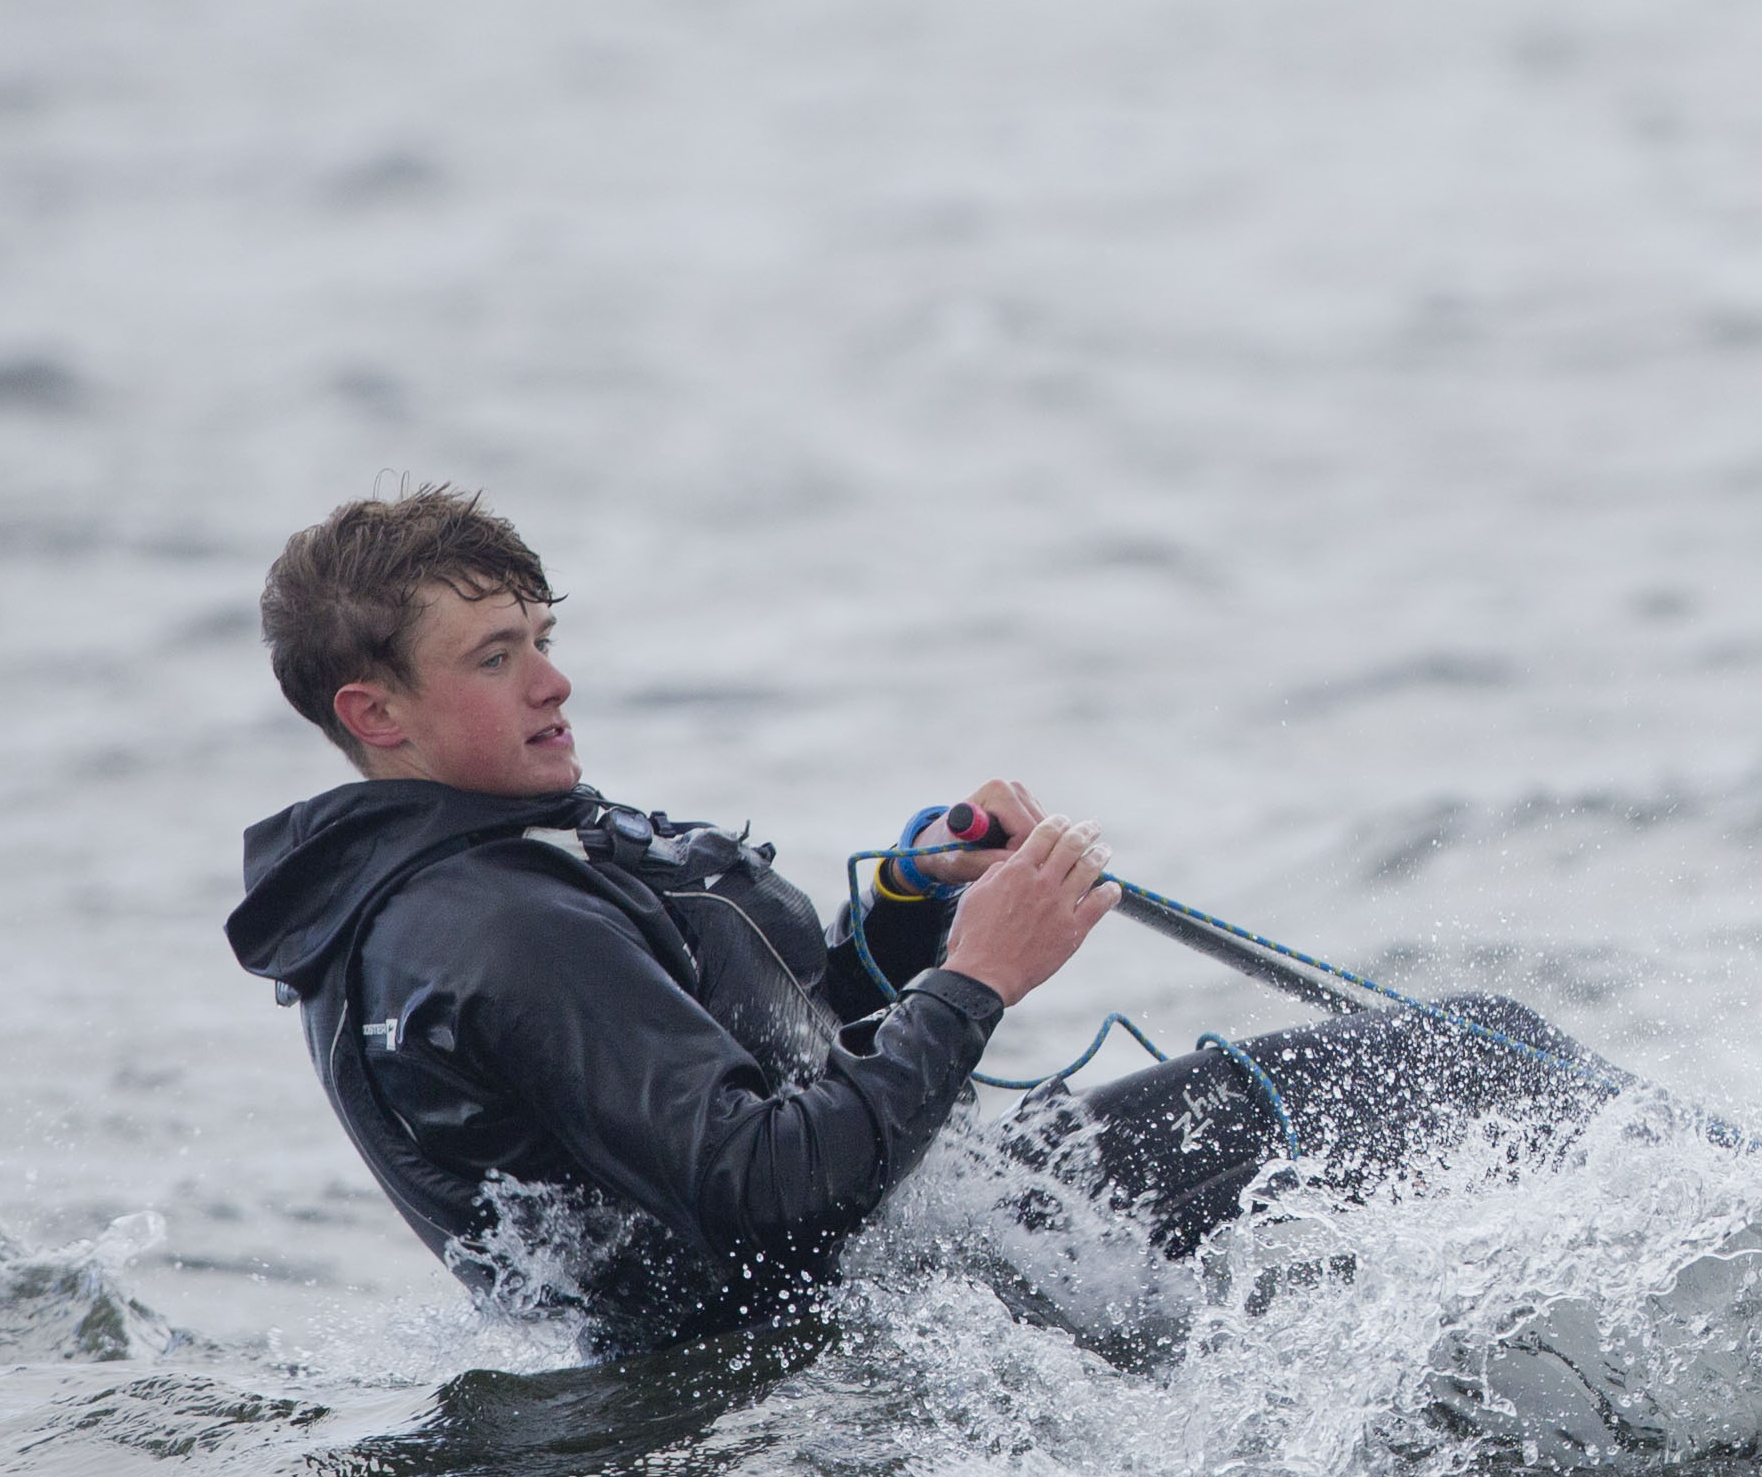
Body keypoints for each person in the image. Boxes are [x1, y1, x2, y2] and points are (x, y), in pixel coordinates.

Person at [224, 487, 1608, 1358]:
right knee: (1466, 1056)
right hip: (895, 1303)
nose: (555, 680)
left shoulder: (472, 876)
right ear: (374, 712)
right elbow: (773, 1189)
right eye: (496, 656)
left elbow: (779, 1045)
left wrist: (907, 907)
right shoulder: (495, 929)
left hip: (923, 1260)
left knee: (1455, 1077)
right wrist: (981, 978)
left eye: (541, 633)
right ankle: (1757, 1249)